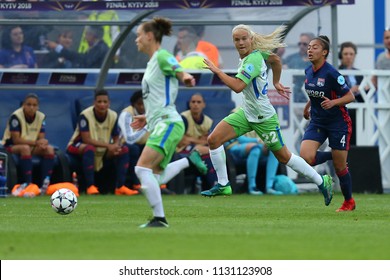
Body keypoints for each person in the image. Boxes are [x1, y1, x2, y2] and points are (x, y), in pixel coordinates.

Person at [200, 24, 334, 208]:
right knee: (214, 140)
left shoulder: (252, 60)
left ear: (251, 39)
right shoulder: (256, 55)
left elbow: (238, 86)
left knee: (284, 157)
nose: (240, 42)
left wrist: (218, 71)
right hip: (247, 113)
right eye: (236, 39)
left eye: (243, 38)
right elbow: (275, 60)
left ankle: (321, 181)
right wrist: (276, 81)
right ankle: (223, 184)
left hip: (263, 117)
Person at [133, 16, 208, 228]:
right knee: (154, 178)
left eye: (139, 35)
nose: (136, 40)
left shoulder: (162, 56)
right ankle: (189, 161)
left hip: (168, 123)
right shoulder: (151, 63)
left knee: (142, 170)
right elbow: (159, 97)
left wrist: (185, 77)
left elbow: (177, 68)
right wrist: (147, 117)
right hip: (161, 122)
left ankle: (160, 219)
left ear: (149, 36)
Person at [300, 35, 356, 212]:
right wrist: (308, 106)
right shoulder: (308, 71)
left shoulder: (332, 73)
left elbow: (350, 96)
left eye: (315, 47)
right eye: (309, 47)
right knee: (306, 157)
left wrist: (333, 102)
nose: (310, 50)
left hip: (337, 122)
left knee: (340, 167)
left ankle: (349, 202)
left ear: (325, 52)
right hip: (318, 120)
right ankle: (336, 154)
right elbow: (315, 92)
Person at [66, 89, 138, 196]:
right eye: (99, 102)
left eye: (105, 102)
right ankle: (90, 186)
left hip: (101, 148)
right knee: (89, 148)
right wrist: (109, 145)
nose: (102, 104)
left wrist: (116, 146)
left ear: (109, 103)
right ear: (94, 103)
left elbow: (116, 137)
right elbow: (86, 139)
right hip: (77, 146)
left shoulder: (113, 115)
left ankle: (120, 187)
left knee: (124, 150)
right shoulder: (85, 115)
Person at [1, 93, 55, 195]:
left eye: (34, 105)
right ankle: (28, 184)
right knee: (25, 148)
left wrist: (43, 143)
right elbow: (16, 140)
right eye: (28, 104)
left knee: (49, 149)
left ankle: (44, 185)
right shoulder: (16, 116)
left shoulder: (41, 116)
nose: (31, 107)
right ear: (23, 105)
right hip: (11, 147)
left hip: (32, 146)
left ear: (38, 107)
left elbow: (41, 137)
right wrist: (36, 142)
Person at [224, 108, 282, 195]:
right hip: (234, 147)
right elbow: (239, 138)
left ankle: (269, 187)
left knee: (273, 149)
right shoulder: (235, 112)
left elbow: (263, 136)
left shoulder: (258, 116)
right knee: (255, 149)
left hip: (255, 146)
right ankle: (252, 187)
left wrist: (265, 143)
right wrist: (258, 141)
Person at [176, 93, 217, 192]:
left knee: (210, 153)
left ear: (204, 105)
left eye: (199, 102)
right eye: (193, 102)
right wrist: (199, 141)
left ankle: (213, 184)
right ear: (189, 104)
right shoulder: (183, 118)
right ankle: (214, 184)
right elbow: (181, 141)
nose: (195, 104)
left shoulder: (208, 121)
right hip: (181, 150)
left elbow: (208, 141)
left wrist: (190, 139)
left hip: (199, 150)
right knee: (204, 151)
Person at [338, 41, 364, 146]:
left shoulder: (360, 74)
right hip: (343, 111)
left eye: (351, 54)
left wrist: (363, 89)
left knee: (357, 141)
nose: (348, 57)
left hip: (358, 111)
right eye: (346, 54)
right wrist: (351, 90)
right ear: (341, 56)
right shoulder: (336, 72)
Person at [283, 32, 315, 103]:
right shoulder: (291, 59)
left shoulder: (316, 61)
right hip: (294, 98)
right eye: (299, 44)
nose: (301, 46)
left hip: (310, 98)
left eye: (304, 44)